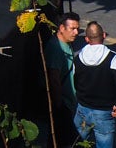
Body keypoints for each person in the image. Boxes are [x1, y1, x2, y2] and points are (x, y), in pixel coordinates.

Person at [72, 21, 116, 148]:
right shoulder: (112, 58)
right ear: (104, 35)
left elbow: (75, 80)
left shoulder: (78, 58)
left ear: (86, 39)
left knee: (76, 143)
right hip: (104, 112)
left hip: (82, 109)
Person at [43, 13, 80, 145]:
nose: (76, 32)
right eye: (72, 29)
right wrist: (58, 105)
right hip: (61, 104)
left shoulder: (67, 43)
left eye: (77, 29)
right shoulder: (55, 48)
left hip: (67, 103)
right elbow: (54, 79)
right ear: (62, 28)